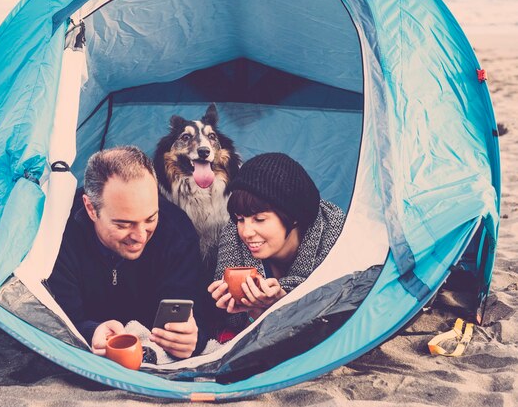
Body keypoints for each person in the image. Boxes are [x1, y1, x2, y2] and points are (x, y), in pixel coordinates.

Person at [48, 146, 208, 359]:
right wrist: (91, 332)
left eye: (150, 219)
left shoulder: (177, 231)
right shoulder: (57, 231)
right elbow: (53, 320)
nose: (140, 236)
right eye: (124, 224)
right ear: (90, 208)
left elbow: (197, 314)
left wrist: (192, 340)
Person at [207, 152, 346, 337]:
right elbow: (231, 323)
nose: (246, 232)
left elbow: (340, 313)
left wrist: (286, 303)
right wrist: (251, 310)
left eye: (260, 219)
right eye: (240, 219)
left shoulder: (335, 235)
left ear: (293, 217)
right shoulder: (233, 233)